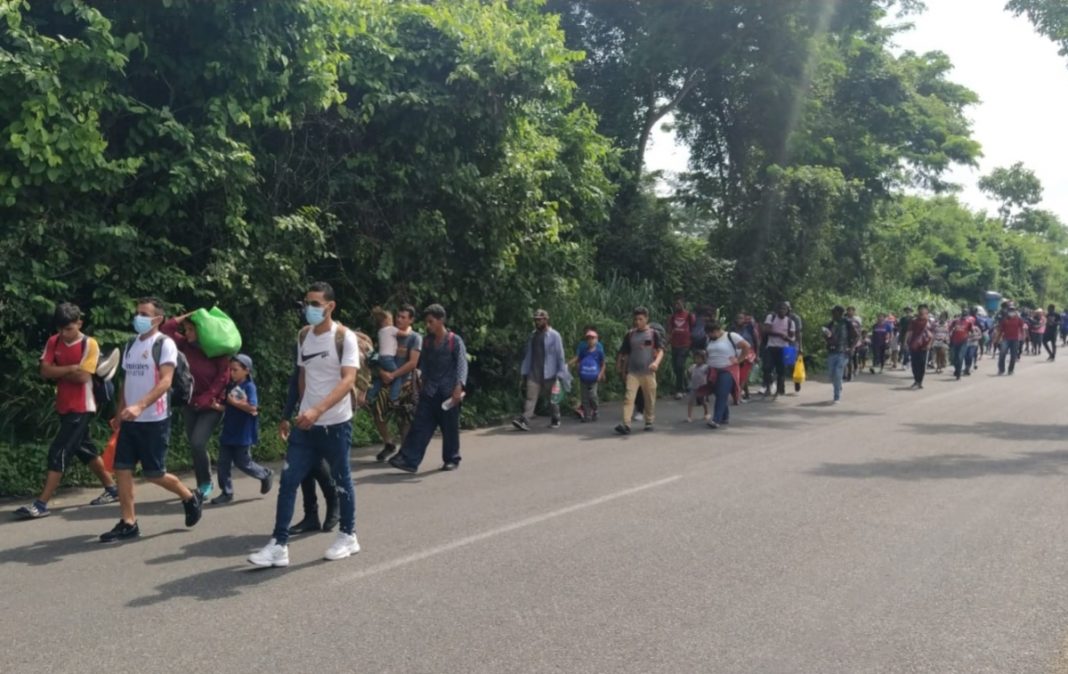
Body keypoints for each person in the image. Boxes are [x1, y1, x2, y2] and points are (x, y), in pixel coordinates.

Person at [249, 282, 360, 567]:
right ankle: (279, 545)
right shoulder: (303, 336)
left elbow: (348, 380)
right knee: (288, 481)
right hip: (306, 425)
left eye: (316, 304)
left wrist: (319, 410)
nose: (309, 309)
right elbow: (301, 377)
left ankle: (348, 535)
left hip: (335, 423)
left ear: (330, 306)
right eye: (307, 303)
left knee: (341, 479)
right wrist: (293, 413)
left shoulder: (344, 337)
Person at [100, 297, 203, 542]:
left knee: (154, 474)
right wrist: (120, 412)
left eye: (144, 314)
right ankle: (129, 523)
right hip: (130, 420)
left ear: (158, 319)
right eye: (137, 313)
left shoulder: (163, 344)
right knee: (122, 469)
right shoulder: (130, 345)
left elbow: (166, 381)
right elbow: (127, 382)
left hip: (154, 419)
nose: (139, 318)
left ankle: (189, 496)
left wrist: (140, 406)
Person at [14, 303, 119, 519]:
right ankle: (112, 488)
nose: (64, 334)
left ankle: (41, 504)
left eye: (68, 329)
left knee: (58, 452)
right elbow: (44, 371)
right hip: (63, 404)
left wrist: (59, 371)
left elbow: (83, 377)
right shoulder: (54, 341)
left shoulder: (90, 344)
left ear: (79, 323)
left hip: (83, 406)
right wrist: (71, 368)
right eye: (60, 329)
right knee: (85, 449)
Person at [388, 304, 468, 473]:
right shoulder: (427, 341)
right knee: (420, 425)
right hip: (429, 390)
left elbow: (462, 365)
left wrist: (458, 387)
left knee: (449, 428)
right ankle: (409, 459)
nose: (428, 325)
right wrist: (418, 381)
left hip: (448, 392)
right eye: (427, 322)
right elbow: (422, 364)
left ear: (441, 320)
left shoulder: (455, 341)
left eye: (431, 321)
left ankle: (452, 458)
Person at [161, 311, 230, 498]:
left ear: (203, 331)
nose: (187, 332)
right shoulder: (184, 345)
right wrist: (192, 314)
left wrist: (207, 397)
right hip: (190, 402)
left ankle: (206, 482)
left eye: (192, 329)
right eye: (186, 329)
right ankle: (202, 484)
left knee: (198, 442)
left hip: (212, 405)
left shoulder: (216, 350)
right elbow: (166, 329)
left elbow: (223, 377)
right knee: (194, 445)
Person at [280, 343, 338, 535]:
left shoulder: (332, 347)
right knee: (303, 465)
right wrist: (286, 416)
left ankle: (333, 502)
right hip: (305, 415)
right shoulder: (304, 345)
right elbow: (295, 384)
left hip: (329, 415)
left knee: (318, 463)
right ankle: (311, 516)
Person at [211, 354, 272, 504]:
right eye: (230, 370)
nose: (232, 373)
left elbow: (252, 407)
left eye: (235, 370)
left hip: (243, 432)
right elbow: (228, 407)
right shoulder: (231, 386)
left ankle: (265, 474)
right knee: (223, 463)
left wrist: (233, 402)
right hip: (229, 429)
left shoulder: (249, 387)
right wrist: (217, 406)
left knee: (243, 462)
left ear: (247, 370)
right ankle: (227, 492)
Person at [374, 304, 423, 462]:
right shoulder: (388, 332)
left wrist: (393, 374)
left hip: (405, 383)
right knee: (377, 411)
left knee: (404, 418)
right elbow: (378, 357)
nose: (399, 319)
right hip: (387, 381)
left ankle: (405, 451)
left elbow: (412, 363)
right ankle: (388, 443)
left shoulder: (415, 338)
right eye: (398, 316)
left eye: (403, 317)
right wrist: (382, 373)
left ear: (411, 320)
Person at [513, 309, 569, 431]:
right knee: (530, 398)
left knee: (553, 399)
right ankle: (524, 420)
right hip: (534, 373)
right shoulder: (532, 335)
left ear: (546, 320)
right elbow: (528, 354)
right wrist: (524, 372)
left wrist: (560, 373)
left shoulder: (554, 335)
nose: (537, 322)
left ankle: (556, 418)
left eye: (539, 320)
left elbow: (560, 355)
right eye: (535, 320)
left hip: (550, 373)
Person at [615, 307, 663, 435]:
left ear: (646, 319)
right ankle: (626, 424)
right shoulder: (630, 334)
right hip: (633, 373)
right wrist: (621, 368)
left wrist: (656, 363)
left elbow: (660, 351)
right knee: (628, 398)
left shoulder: (653, 334)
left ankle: (649, 421)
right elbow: (625, 352)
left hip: (648, 372)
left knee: (649, 399)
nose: (637, 321)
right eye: (635, 319)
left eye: (640, 319)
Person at [704, 321, 751, 429]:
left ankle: (716, 420)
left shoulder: (731, 336)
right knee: (718, 393)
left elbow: (746, 346)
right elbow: (708, 353)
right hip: (713, 370)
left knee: (722, 393)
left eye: (710, 334)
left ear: (716, 331)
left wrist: (739, 360)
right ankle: (725, 416)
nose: (709, 336)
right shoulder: (710, 340)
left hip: (728, 370)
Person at [367, 307, 403, 405]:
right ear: (384, 322)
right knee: (398, 375)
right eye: (391, 320)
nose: (393, 322)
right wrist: (409, 329)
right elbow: (404, 334)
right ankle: (393, 398)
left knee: (379, 379)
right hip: (388, 359)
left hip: (381, 358)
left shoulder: (380, 331)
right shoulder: (391, 329)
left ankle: (369, 397)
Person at [761, 301, 797, 399]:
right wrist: (780, 335)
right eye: (780, 308)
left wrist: (787, 338)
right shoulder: (771, 317)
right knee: (767, 368)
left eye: (784, 309)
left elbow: (792, 338)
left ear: (787, 311)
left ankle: (778, 390)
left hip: (783, 348)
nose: (782, 311)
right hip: (771, 347)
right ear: (777, 310)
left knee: (781, 371)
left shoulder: (790, 322)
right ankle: (768, 388)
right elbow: (766, 330)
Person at [569, 328, 605, 422]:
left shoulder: (599, 352)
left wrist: (601, 374)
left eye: (593, 338)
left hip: (594, 378)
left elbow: (603, 364)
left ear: (596, 339)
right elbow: (579, 360)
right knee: (584, 397)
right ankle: (587, 415)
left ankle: (595, 410)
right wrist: (577, 368)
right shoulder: (583, 351)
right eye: (588, 338)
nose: (590, 340)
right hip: (584, 377)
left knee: (592, 395)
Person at [823, 306, 857, 404]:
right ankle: (839, 385)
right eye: (832, 313)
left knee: (838, 373)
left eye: (834, 313)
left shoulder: (847, 323)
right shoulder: (830, 324)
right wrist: (827, 337)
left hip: (843, 352)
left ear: (840, 313)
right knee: (831, 374)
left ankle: (836, 396)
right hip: (831, 352)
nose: (833, 315)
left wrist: (852, 348)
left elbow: (856, 336)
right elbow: (826, 336)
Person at [668, 297, 696, 400]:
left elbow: (693, 328)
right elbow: (670, 330)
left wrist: (692, 343)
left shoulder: (689, 315)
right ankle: (685, 385)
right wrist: (666, 343)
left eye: (679, 304)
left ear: (683, 305)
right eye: (676, 304)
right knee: (676, 367)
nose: (677, 306)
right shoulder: (672, 316)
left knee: (680, 365)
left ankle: (679, 390)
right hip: (674, 344)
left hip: (685, 344)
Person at [903, 304, 933, 390]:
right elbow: (909, 332)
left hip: (924, 346)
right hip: (914, 345)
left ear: (927, 312)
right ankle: (916, 380)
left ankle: (919, 381)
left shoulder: (929, 322)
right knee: (914, 364)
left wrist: (929, 345)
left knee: (922, 364)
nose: (922, 314)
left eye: (923, 312)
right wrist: (905, 342)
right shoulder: (914, 321)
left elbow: (932, 335)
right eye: (920, 312)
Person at [995, 302, 1025, 375]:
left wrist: (1023, 337)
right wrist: (997, 339)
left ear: (1015, 311)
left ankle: (1010, 370)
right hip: (1006, 339)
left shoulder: (1019, 319)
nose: (1011, 312)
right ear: (1008, 311)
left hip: (1015, 339)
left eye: (1013, 310)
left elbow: (1022, 328)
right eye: (1010, 310)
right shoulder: (1004, 319)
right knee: (1002, 354)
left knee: (1013, 355)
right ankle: (1001, 369)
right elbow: (1000, 330)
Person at [948, 309, 977, 380]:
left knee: (960, 357)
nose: (964, 314)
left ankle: (958, 374)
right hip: (954, 341)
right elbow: (950, 328)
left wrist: (971, 335)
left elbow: (972, 331)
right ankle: (957, 369)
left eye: (965, 313)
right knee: (954, 358)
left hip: (963, 342)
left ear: (967, 315)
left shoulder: (968, 322)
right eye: (963, 313)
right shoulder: (956, 321)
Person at [686, 350, 711, 423]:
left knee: (703, 401)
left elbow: (709, 374)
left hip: (702, 387)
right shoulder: (693, 366)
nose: (697, 360)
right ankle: (689, 416)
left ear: (703, 359)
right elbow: (689, 373)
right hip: (693, 387)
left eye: (699, 358)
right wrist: (690, 378)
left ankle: (706, 413)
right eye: (696, 358)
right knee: (690, 401)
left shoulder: (706, 367)